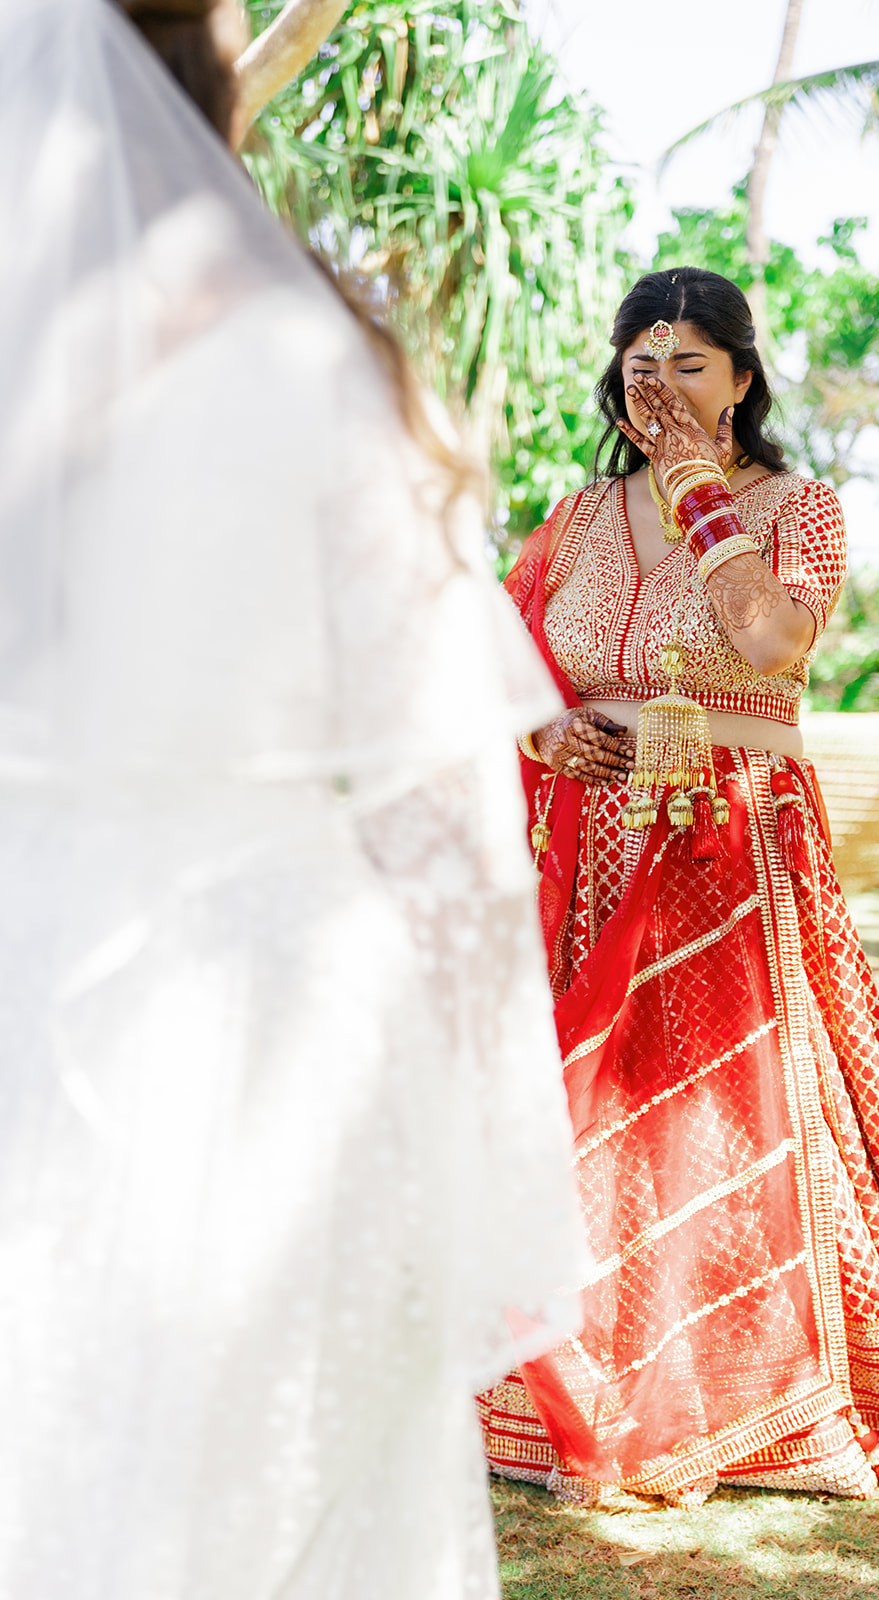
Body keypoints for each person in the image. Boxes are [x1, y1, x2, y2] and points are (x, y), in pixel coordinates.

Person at [0, 1, 585, 1595]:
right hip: (272, 1015)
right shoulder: (294, 358)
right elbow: (439, 802)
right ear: (196, 73)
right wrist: (475, 1159)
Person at [478, 267, 879, 1504]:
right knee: (591, 1107)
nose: (661, 382)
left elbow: (768, 641)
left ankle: (748, 1389)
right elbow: (511, 665)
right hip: (592, 849)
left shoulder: (800, 506)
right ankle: (567, 1380)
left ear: (743, 377)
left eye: (689, 361)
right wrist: (545, 736)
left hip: (731, 853)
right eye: (641, 359)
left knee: (731, 1112)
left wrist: (698, 485)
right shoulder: (577, 520)